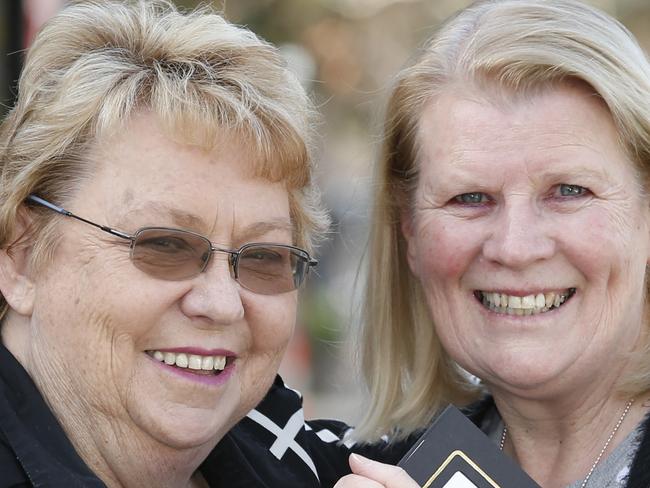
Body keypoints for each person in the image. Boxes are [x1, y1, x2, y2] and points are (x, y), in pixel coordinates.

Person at [213, 0, 650, 487]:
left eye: (570, 191)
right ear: (410, 233)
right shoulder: (366, 471)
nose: (516, 247)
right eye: (470, 198)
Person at [0, 0, 329, 486]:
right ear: (21, 257)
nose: (221, 304)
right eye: (165, 246)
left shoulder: (317, 466)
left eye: (263, 258)